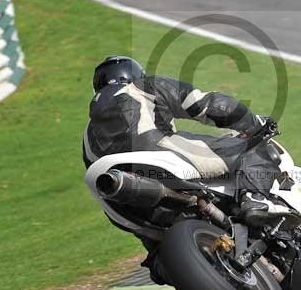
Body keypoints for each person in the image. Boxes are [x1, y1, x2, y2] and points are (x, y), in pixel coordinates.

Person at [82, 55, 289, 217]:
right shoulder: (141, 87)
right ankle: (255, 200)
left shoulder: (88, 133)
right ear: (135, 75)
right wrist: (253, 122)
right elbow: (206, 105)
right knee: (253, 149)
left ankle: (158, 262)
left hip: (124, 200)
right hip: (159, 152)